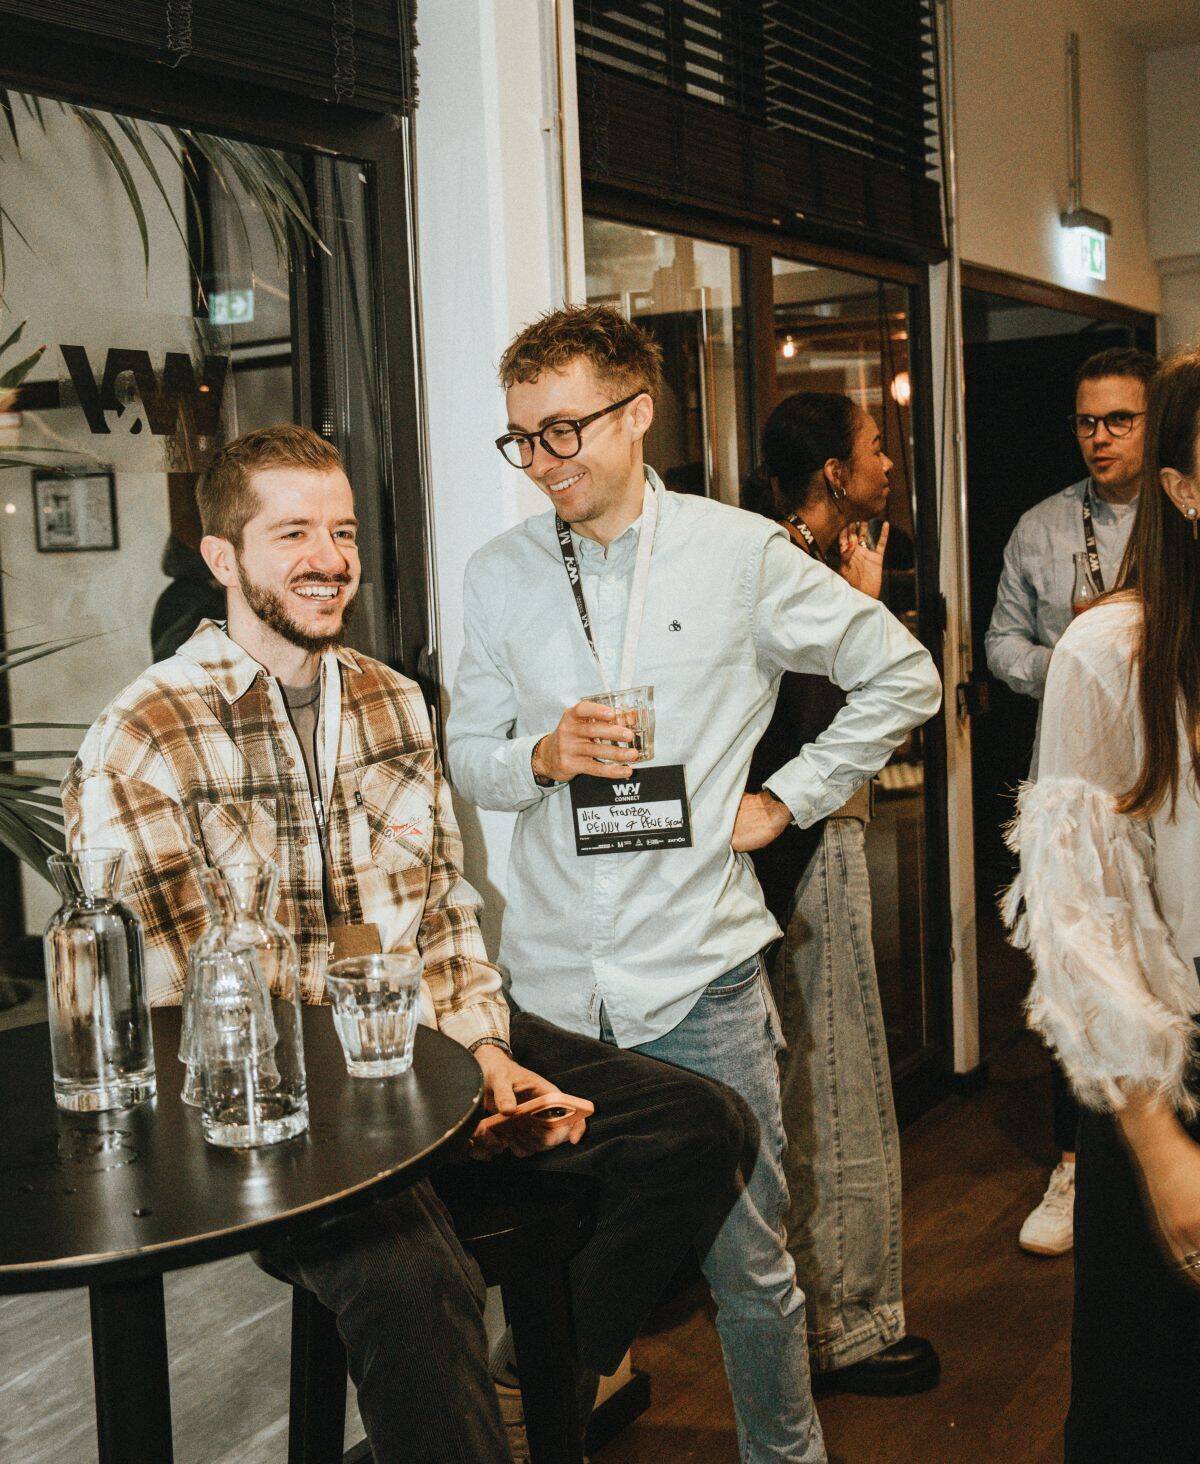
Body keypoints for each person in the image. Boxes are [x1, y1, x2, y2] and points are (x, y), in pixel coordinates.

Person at [62, 424, 750, 1464]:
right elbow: (190, 1006)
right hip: (279, 1111)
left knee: (698, 1127)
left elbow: (440, 913)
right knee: (415, 1274)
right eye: (293, 533)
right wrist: (425, 1117)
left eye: (342, 532)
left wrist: (484, 1058)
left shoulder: (391, 701)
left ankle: (530, 1394)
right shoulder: (144, 733)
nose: (329, 558)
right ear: (221, 559)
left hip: (419, 1049)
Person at [446, 305, 942, 1462]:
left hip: (701, 983)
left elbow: (902, 676)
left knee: (751, 1271)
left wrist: (786, 800)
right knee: (551, 1263)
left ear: (637, 415)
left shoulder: (740, 554)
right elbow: (466, 755)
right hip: (550, 999)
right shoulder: (498, 574)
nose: (543, 462)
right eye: (522, 437)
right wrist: (539, 757)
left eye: (565, 430)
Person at [1003, 347, 1200, 1461]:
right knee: (1153, 1404)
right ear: (1183, 489)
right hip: (1174, 1060)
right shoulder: (1109, 652)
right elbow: (1080, 923)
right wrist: (1157, 1139)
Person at [742, 391, 939, 1397]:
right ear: (832, 473)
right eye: (872, 446)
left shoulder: (784, 559)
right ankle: (849, 1325)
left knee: (817, 1077)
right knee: (836, 1077)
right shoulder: (789, 568)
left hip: (791, 848)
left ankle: (826, 1316)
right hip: (809, 846)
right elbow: (832, 720)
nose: (887, 462)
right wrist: (862, 606)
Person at [985, 344, 1157, 1256]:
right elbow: (999, 643)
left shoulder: (1182, 515)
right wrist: (1076, 664)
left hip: (1170, 774)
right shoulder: (1042, 526)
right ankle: (1075, 1162)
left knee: (1168, 963)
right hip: (1077, 775)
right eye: (1088, 421)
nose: (1100, 437)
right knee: (1077, 960)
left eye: (1119, 419)